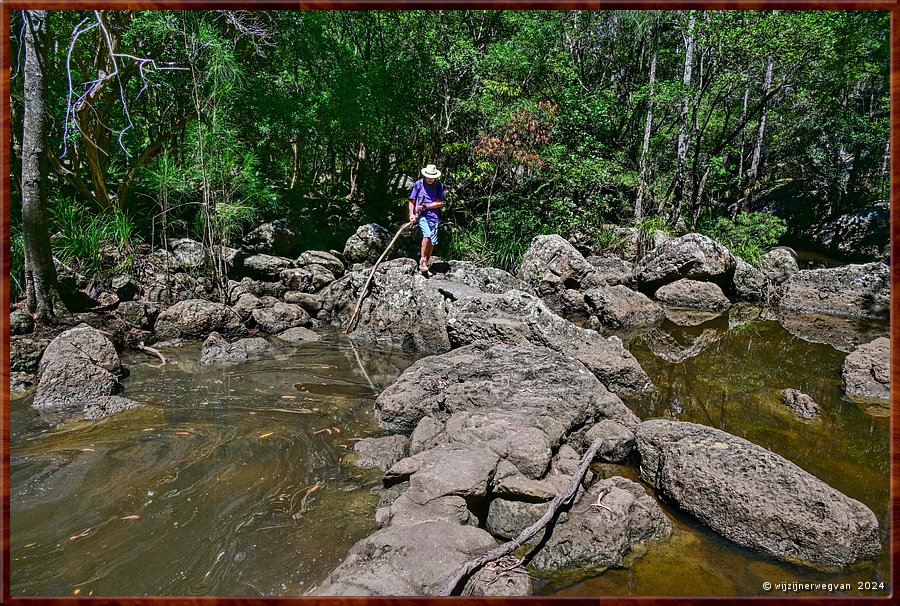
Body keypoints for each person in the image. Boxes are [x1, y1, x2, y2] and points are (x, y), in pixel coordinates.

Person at [408, 164, 444, 273]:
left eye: (432, 177)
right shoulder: (418, 184)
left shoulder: (439, 185)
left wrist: (426, 206)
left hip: (434, 216)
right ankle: (422, 261)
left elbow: (439, 203)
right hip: (422, 215)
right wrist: (412, 214)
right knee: (427, 235)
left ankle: (426, 265)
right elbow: (412, 201)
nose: (430, 179)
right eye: (428, 177)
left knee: (432, 242)